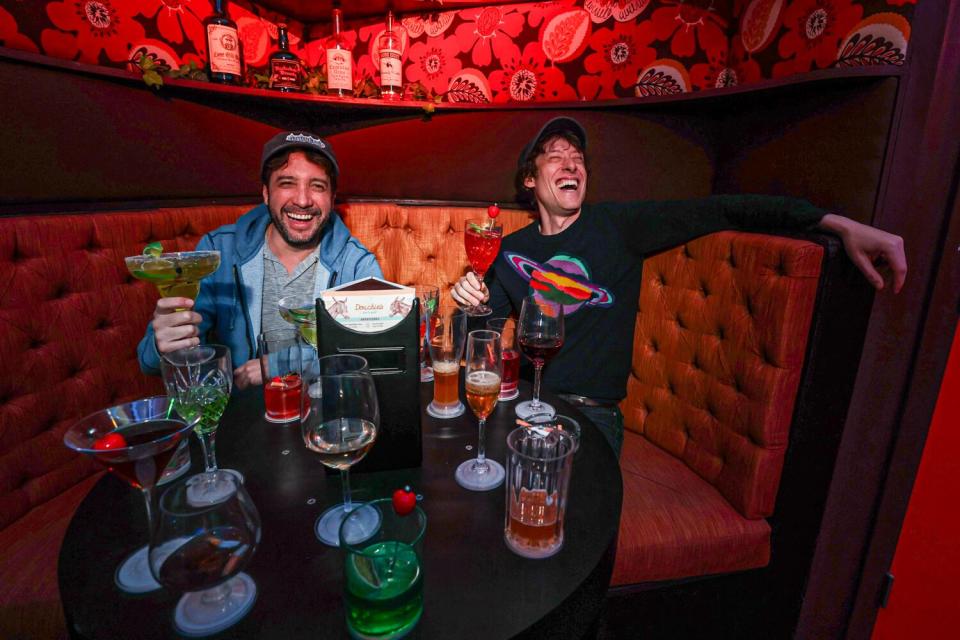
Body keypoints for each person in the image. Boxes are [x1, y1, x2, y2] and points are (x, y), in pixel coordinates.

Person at [451, 117, 907, 456]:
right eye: (556, 155)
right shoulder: (508, 249)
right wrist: (468, 304)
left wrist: (833, 223)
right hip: (530, 403)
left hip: (592, 414)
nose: (572, 164)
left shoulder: (620, 227)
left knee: (578, 520)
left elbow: (725, 210)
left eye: (579, 158)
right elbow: (476, 342)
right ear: (531, 179)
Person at [138, 131, 383, 387]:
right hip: (242, 410)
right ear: (266, 193)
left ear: (332, 199)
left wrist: (280, 364)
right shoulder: (218, 251)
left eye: (317, 186)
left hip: (324, 409)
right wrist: (161, 345)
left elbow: (372, 353)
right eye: (287, 183)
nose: (302, 200)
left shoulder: (357, 264)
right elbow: (151, 363)